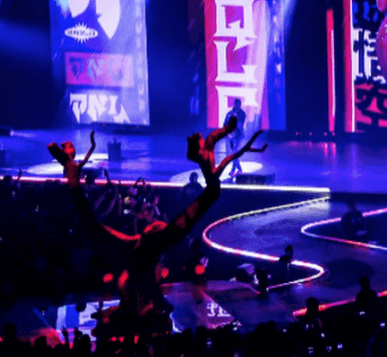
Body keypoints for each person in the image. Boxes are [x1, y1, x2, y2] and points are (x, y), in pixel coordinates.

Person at [48, 118, 266, 337]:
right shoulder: (152, 244)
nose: (157, 222)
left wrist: (73, 180)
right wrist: (211, 185)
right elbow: (192, 214)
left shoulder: (134, 245)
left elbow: (91, 223)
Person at [223, 99, 247, 178]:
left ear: (240, 105)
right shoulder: (229, 113)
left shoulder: (242, 113)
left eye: (237, 105)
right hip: (230, 135)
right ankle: (237, 169)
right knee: (233, 153)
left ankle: (235, 170)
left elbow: (240, 124)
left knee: (235, 151)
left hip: (238, 135)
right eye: (235, 104)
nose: (236, 106)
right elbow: (225, 123)